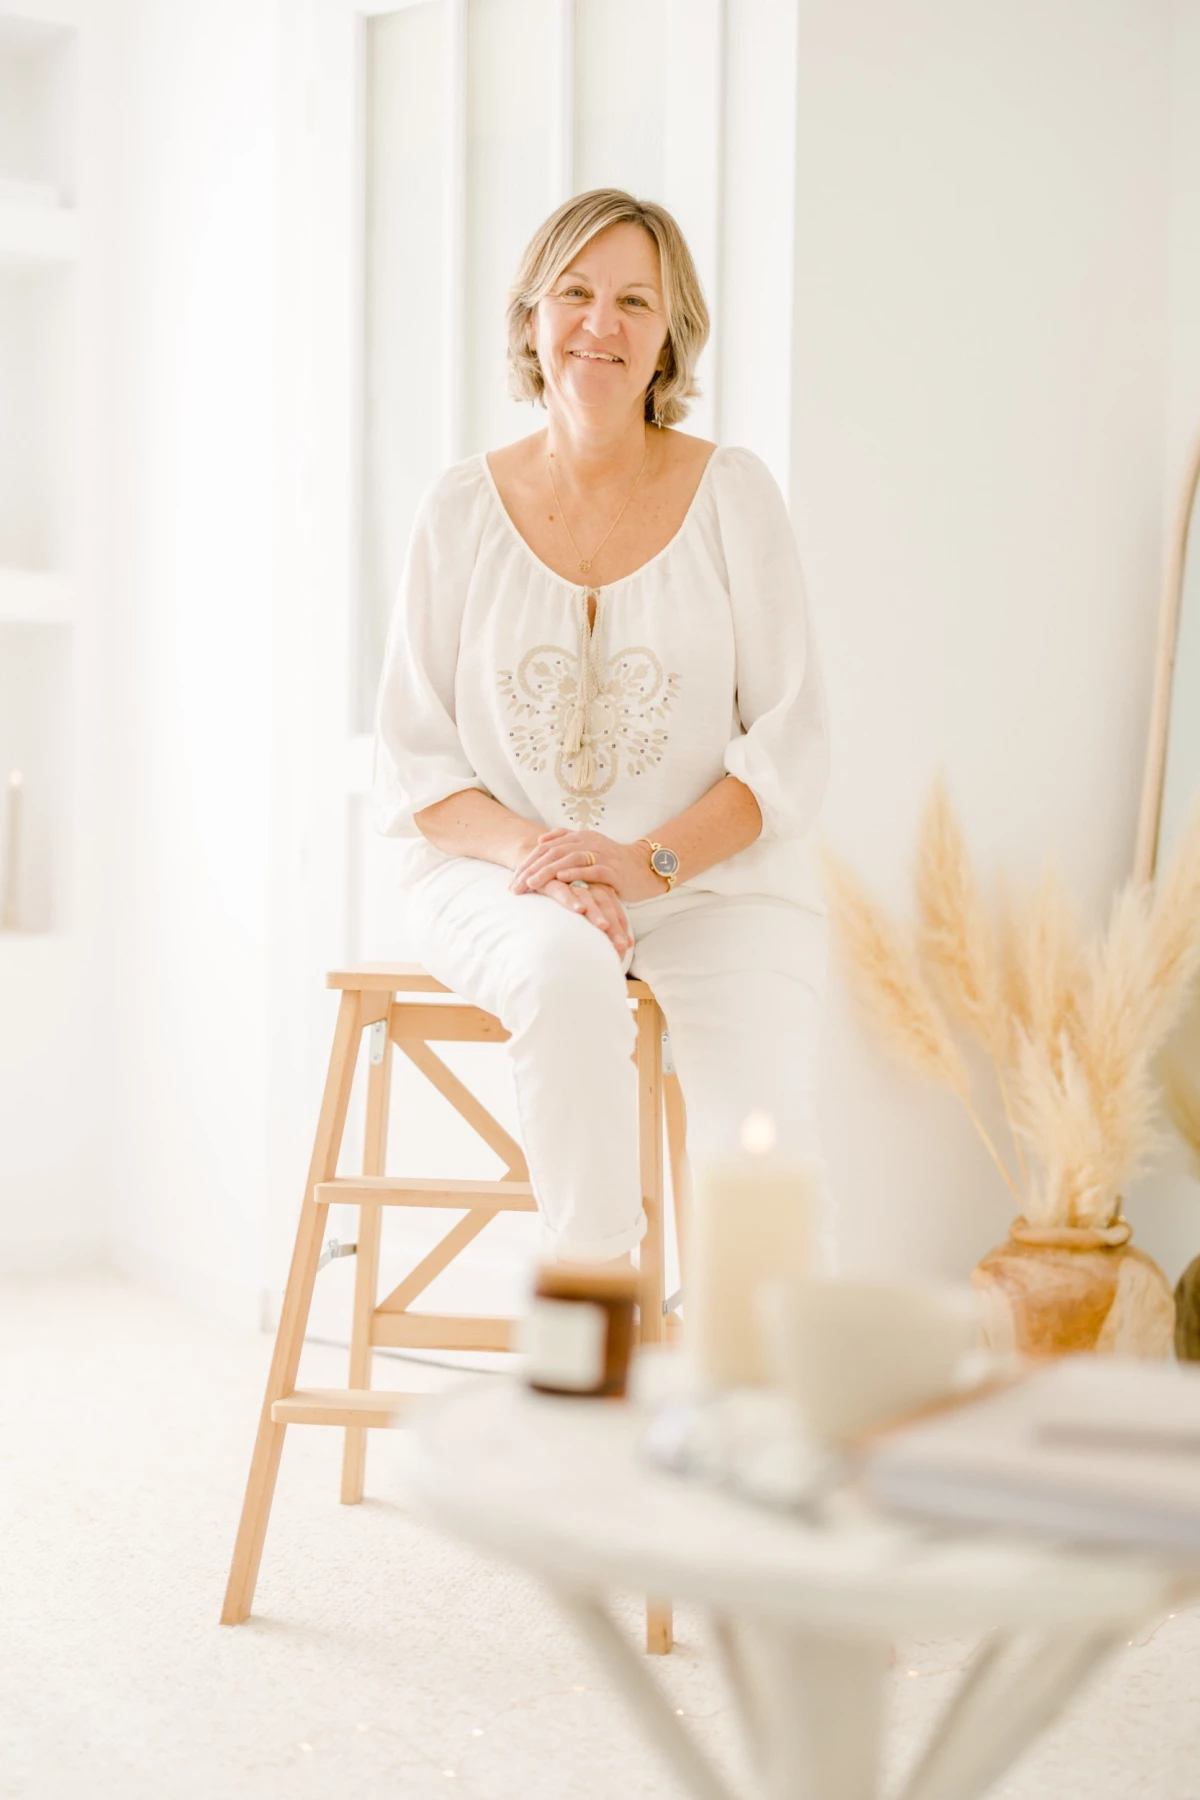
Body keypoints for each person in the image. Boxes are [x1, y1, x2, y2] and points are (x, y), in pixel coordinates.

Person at [373, 187, 831, 1267]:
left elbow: (790, 746)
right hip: (498, 876)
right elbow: (416, 763)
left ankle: (756, 1384)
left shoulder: (734, 494)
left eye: (635, 299)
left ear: (671, 332)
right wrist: (551, 861)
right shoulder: (458, 509)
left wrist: (643, 862)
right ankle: (601, 1307)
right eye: (575, 292)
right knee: (565, 976)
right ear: (532, 316)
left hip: (715, 882)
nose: (601, 324)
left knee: (764, 1163)